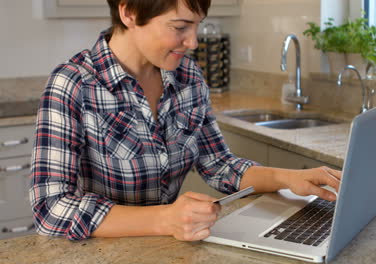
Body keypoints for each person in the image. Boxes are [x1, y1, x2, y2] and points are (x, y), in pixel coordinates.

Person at [30, 0, 342, 242]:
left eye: (196, 26)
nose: (193, 41)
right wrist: (165, 219)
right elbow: (51, 208)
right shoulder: (74, 84)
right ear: (128, 12)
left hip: (172, 249)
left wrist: (288, 178)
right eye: (180, 27)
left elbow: (218, 164)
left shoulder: (187, 75)